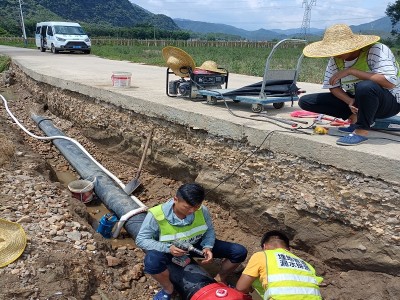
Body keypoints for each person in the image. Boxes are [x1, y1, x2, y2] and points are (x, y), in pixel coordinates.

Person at [135, 183, 248, 300]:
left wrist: (208, 247)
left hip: (195, 244)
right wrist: (168, 248)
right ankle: (168, 289)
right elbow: (141, 240)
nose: (192, 211)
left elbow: (209, 230)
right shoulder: (157, 215)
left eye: (196, 207)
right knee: (152, 262)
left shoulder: (201, 210)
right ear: (175, 199)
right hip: (171, 250)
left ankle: (220, 278)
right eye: (187, 207)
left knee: (239, 252)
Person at [299, 24, 400, 146]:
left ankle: (361, 131)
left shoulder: (376, 50)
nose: (336, 54)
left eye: (338, 50)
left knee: (365, 86)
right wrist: (349, 101)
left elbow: (389, 83)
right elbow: (333, 86)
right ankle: (357, 117)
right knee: (306, 101)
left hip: (389, 102)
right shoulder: (335, 59)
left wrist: (352, 71)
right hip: (358, 101)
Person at [236, 230, 323, 299]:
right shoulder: (307, 265)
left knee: (255, 278)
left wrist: (249, 289)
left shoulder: (262, 255)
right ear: (288, 250)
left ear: (265, 247)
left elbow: (241, 287)